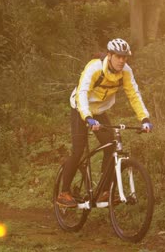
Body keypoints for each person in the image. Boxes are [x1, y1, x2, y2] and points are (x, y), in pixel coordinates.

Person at [57, 38, 153, 207]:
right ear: (109, 55)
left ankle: (103, 192)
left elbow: (134, 95)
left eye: (125, 57)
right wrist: (87, 117)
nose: (122, 60)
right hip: (80, 108)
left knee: (110, 145)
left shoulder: (126, 72)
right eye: (118, 57)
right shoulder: (94, 68)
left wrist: (144, 118)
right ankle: (64, 193)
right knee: (78, 150)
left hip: (99, 111)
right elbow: (82, 93)